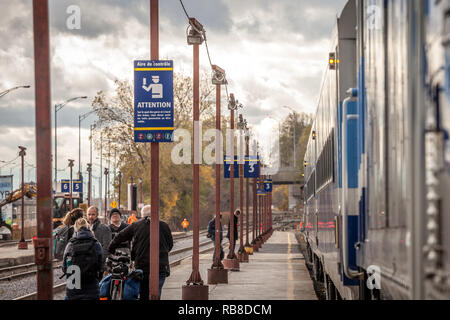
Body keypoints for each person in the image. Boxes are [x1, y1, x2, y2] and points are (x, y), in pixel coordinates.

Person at [107, 204, 173, 300]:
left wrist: (111, 249)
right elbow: (170, 244)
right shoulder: (164, 225)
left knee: (144, 293)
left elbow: (119, 236)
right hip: (161, 266)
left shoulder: (136, 225)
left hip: (142, 266)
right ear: (156, 214)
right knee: (156, 293)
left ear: (142, 215)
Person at [62, 218, 103, 300]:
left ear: (75, 228)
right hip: (91, 285)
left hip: (73, 285)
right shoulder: (96, 244)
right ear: (88, 227)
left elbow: (64, 268)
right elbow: (100, 266)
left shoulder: (70, 245)